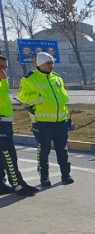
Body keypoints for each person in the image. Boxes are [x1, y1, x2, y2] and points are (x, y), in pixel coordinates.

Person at [18, 52, 73, 187]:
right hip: (43, 123)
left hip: (60, 121)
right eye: (48, 63)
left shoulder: (57, 78)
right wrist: (39, 98)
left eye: (52, 63)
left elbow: (63, 95)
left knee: (62, 149)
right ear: (40, 64)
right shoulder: (29, 79)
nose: (51, 66)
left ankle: (66, 175)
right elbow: (22, 96)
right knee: (44, 150)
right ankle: (44, 178)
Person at [0, 55, 37, 197]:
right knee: (8, 154)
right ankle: (18, 185)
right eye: (0, 67)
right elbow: (2, 97)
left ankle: (1, 185)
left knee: (1, 156)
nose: (4, 72)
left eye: (5, 68)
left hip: (4, 122)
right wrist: (4, 81)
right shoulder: (2, 83)